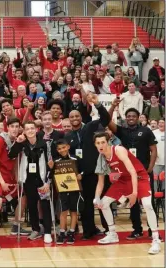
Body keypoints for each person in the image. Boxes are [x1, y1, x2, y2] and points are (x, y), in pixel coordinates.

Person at [93, 132, 161, 254]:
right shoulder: (101, 157)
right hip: (123, 180)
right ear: (95, 145)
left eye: (103, 142)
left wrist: (134, 193)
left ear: (108, 142)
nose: (100, 145)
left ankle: (156, 239)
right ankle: (112, 233)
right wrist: (97, 197)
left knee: (147, 205)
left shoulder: (118, 150)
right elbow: (100, 182)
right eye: (98, 143)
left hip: (139, 177)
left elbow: (133, 172)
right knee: (103, 203)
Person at [107, 105, 157, 240]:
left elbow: (153, 150)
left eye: (133, 116)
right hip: (129, 173)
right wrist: (113, 106)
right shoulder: (122, 131)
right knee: (133, 201)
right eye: (128, 116)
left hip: (144, 171)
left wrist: (151, 167)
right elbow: (106, 120)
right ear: (125, 118)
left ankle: (153, 231)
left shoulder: (146, 131)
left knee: (148, 203)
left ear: (138, 117)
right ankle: (137, 230)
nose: (131, 118)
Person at [65, 93, 111, 240]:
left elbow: (106, 119)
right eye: (71, 117)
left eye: (77, 116)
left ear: (81, 117)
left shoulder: (91, 127)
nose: (74, 119)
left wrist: (97, 104)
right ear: (68, 119)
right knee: (85, 205)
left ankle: (109, 229)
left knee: (103, 201)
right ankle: (88, 230)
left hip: (97, 172)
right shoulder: (67, 137)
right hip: (81, 175)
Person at [0, 118, 28, 250]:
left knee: (23, 196)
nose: (15, 129)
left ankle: (16, 226)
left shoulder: (18, 142)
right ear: (7, 128)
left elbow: (15, 163)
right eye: (12, 127)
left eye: (17, 126)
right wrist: (2, 182)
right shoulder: (0, 140)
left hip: (9, 178)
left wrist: (16, 180)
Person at [8, 121, 53, 243]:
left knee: (44, 205)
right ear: (24, 131)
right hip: (28, 180)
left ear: (36, 129)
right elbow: (11, 155)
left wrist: (47, 182)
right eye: (27, 129)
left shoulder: (45, 144)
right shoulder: (23, 144)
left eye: (32, 128)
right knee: (32, 206)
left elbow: (50, 164)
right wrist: (18, 142)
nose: (30, 131)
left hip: (42, 180)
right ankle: (36, 230)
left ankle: (48, 231)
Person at [51, 139, 83, 245]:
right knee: (63, 211)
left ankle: (72, 232)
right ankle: (62, 232)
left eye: (64, 147)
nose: (62, 150)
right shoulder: (55, 161)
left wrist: (80, 175)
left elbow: (83, 170)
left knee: (74, 211)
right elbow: (51, 174)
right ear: (57, 150)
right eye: (59, 149)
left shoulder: (76, 158)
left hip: (75, 189)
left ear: (68, 147)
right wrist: (50, 168)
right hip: (62, 190)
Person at [152, 119, 165, 191]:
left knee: (164, 181)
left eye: (162, 122)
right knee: (155, 179)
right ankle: (155, 198)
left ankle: (163, 198)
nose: (160, 124)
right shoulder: (153, 133)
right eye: (159, 122)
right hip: (156, 161)